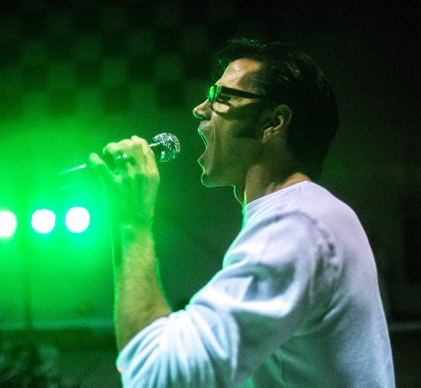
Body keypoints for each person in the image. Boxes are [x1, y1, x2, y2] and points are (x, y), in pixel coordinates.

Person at [88, 38, 395, 387]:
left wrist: (131, 221)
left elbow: (155, 375)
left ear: (273, 122)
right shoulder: (311, 214)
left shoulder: (296, 226)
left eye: (221, 97)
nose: (200, 109)